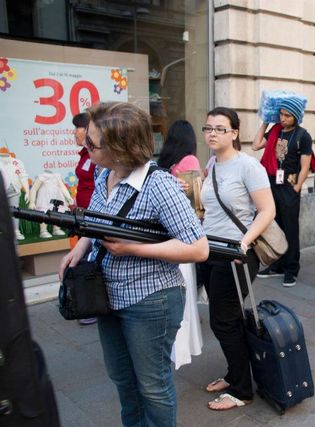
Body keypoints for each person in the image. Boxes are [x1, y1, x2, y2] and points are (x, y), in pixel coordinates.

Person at [58, 102, 209, 427]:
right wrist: (81, 247)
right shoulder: (104, 174)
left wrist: (133, 249)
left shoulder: (159, 186)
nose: (86, 146)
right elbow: (97, 219)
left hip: (151, 300)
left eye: (93, 143)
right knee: (122, 379)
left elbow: (198, 248)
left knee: (153, 387)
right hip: (108, 296)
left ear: (119, 148)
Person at [199, 107, 276, 411]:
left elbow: (268, 210)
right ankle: (234, 375)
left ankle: (242, 390)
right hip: (209, 250)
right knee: (223, 320)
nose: (213, 134)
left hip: (236, 255)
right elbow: (210, 208)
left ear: (234, 133)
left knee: (225, 320)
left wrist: (244, 243)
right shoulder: (212, 164)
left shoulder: (248, 166)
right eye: (208, 128)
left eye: (220, 128)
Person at [157, 119, 205, 369]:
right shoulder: (190, 162)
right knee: (183, 296)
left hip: (163, 236)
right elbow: (197, 205)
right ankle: (182, 349)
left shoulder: (162, 164)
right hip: (183, 235)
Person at [252, 98, 312, 287]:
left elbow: (305, 166)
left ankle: (291, 269)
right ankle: (277, 265)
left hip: (288, 186)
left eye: (287, 115)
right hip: (271, 183)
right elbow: (255, 145)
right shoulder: (275, 131)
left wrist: (296, 188)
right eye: (281, 115)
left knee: (290, 228)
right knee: (274, 226)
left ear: (296, 116)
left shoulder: (303, 135)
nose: (283, 119)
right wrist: (266, 121)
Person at [71, 113, 100, 326]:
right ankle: (86, 303)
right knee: (83, 257)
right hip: (83, 212)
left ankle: (92, 305)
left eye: (77, 128)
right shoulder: (84, 154)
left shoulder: (95, 157)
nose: (74, 133)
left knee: (91, 260)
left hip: (92, 215)